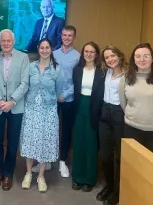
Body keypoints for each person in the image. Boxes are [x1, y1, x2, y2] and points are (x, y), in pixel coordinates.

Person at [32, 25, 80, 177]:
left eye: (70, 35)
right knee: (47, 130)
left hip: (68, 99)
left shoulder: (78, 57)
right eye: (64, 35)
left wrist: (64, 94)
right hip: (50, 99)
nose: (66, 38)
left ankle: (63, 161)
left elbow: (77, 81)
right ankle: (45, 162)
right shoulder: (53, 54)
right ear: (61, 36)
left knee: (65, 130)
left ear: (74, 37)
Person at [0, 29, 30, 191]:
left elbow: (25, 83)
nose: (6, 43)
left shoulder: (23, 58)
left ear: (14, 41)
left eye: (8, 41)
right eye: (3, 41)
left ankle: (8, 174)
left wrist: (12, 101)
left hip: (16, 107)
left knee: (12, 143)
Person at [20, 39, 65, 192]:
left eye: (47, 47)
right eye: (42, 48)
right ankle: (28, 173)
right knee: (30, 140)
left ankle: (41, 176)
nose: (44, 50)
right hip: (31, 108)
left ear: (51, 49)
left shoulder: (57, 69)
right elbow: (25, 86)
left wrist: (56, 97)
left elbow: (59, 91)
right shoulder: (31, 67)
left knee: (45, 141)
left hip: (48, 110)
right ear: (38, 49)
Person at [71, 41, 104, 192]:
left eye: (92, 52)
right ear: (82, 54)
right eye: (86, 51)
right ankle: (77, 177)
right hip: (79, 108)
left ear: (96, 54)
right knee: (78, 143)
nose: (88, 54)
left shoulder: (102, 72)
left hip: (94, 109)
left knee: (91, 145)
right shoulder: (77, 70)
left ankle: (89, 179)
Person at [97, 45, 127, 205]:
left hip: (119, 114)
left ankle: (118, 190)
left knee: (120, 156)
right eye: (107, 57)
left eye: (113, 56)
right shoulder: (106, 72)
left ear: (119, 56)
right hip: (104, 113)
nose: (110, 59)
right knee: (105, 154)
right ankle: (109, 186)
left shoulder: (128, 74)